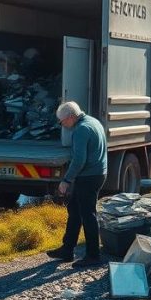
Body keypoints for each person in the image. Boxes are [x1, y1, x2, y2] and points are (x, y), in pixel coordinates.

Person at [46, 101, 108, 268]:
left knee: (88, 215)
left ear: (71, 117)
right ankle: (67, 250)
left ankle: (94, 255)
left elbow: (79, 160)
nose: (62, 125)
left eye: (62, 121)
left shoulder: (81, 130)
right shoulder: (94, 121)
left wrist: (66, 180)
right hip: (97, 173)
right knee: (74, 210)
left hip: (89, 176)